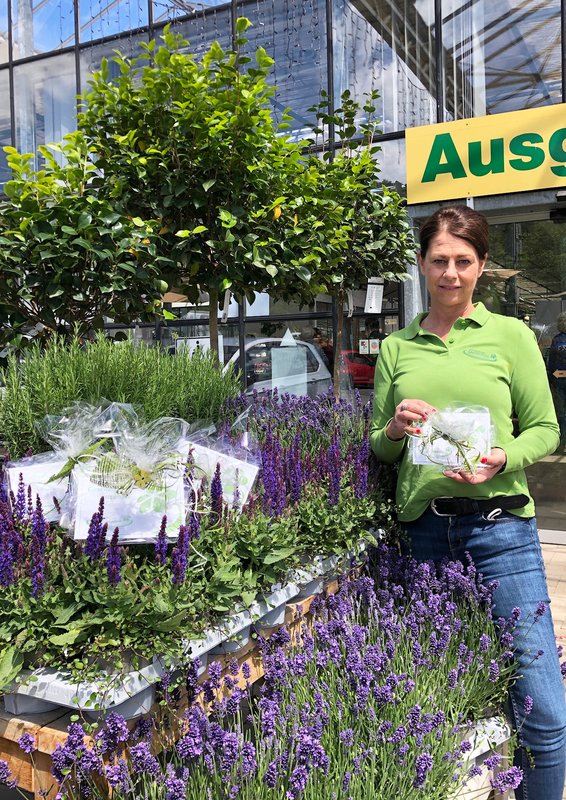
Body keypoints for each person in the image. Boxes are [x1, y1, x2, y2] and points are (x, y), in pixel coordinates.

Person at [370, 205, 566, 800]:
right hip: (423, 534)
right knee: (428, 703)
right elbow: (378, 448)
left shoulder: (510, 336)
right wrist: (397, 431)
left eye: (463, 261)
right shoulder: (396, 347)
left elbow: (546, 429)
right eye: (439, 261)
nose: (450, 272)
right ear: (423, 264)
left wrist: (503, 458)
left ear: (481, 266)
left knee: (544, 711)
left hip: (501, 530)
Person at [548, 311, 566, 448]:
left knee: (562, 412)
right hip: (559, 380)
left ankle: (562, 442)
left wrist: (551, 378)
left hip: (559, 381)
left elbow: (551, 363)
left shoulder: (556, 340)